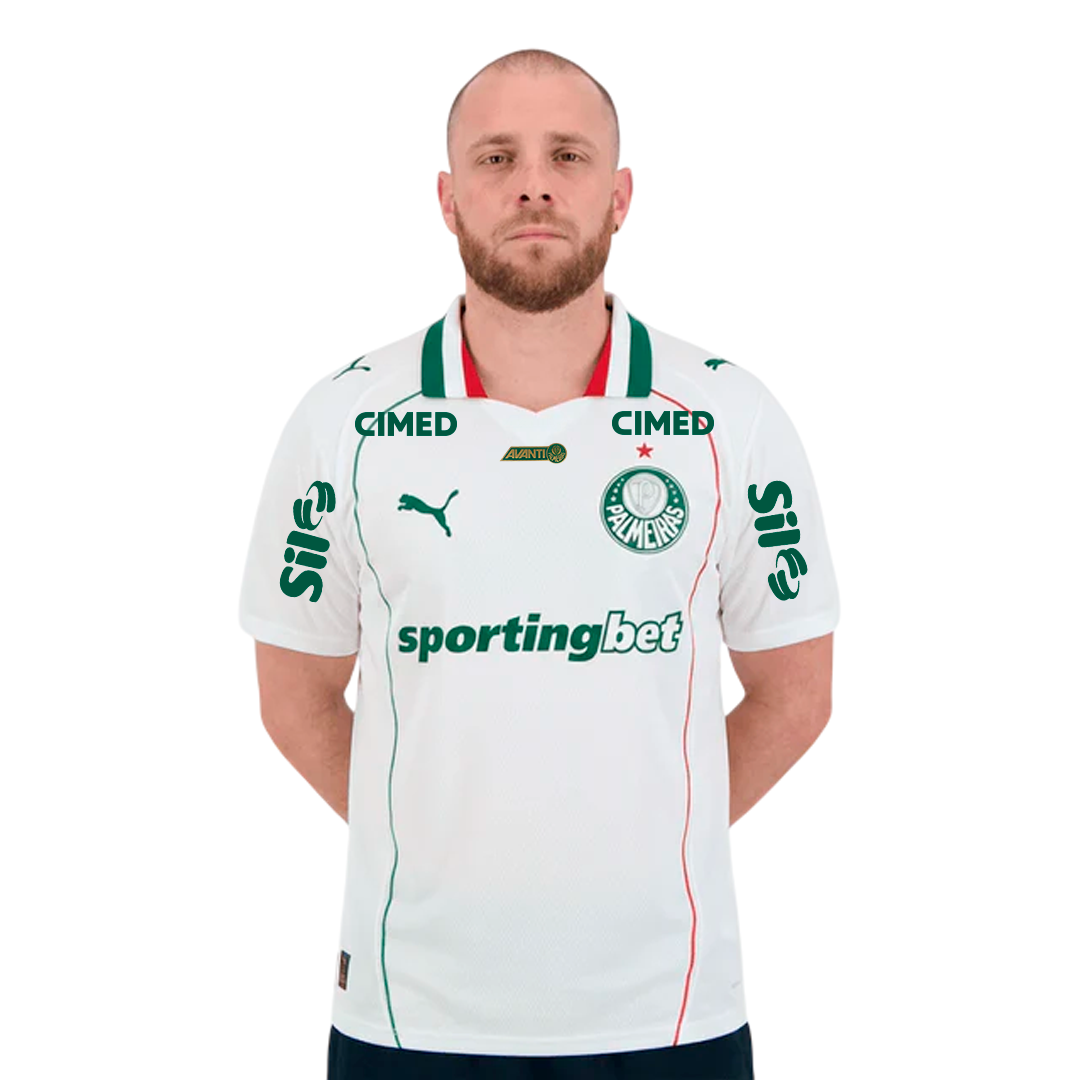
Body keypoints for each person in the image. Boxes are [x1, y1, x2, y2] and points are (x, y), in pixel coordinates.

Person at [238, 48, 839, 1080]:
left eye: (568, 155)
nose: (533, 185)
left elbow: (795, 695)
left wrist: (640, 849)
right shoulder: (345, 421)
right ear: (446, 197)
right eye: (496, 157)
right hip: (410, 1011)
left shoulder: (728, 418)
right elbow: (295, 697)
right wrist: (441, 847)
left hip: (668, 1011)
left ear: (621, 194)